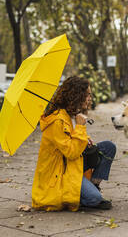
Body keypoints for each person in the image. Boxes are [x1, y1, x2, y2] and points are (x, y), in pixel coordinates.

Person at [32, 76, 116, 211]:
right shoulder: (57, 121)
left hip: (73, 164)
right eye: (87, 94)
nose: (90, 97)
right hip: (61, 172)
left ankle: (92, 187)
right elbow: (71, 152)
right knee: (94, 198)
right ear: (76, 95)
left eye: (90, 94)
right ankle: (84, 195)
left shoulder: (72, 115)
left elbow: (74, 140)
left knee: (108, 147)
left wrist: (86, 139)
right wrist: (81, 128)